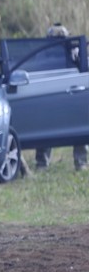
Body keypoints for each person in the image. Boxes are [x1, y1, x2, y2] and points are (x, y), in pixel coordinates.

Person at [35, 23, 88, 171]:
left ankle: (81, 162)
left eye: (61, 38)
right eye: (55, 38)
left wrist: (75, 54)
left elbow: (84, 69)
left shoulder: (75, 51)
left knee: (79, 129)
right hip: (51, 95)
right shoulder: (42, 54)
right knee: (44, 128)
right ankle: (42, 162)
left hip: (72, 94)